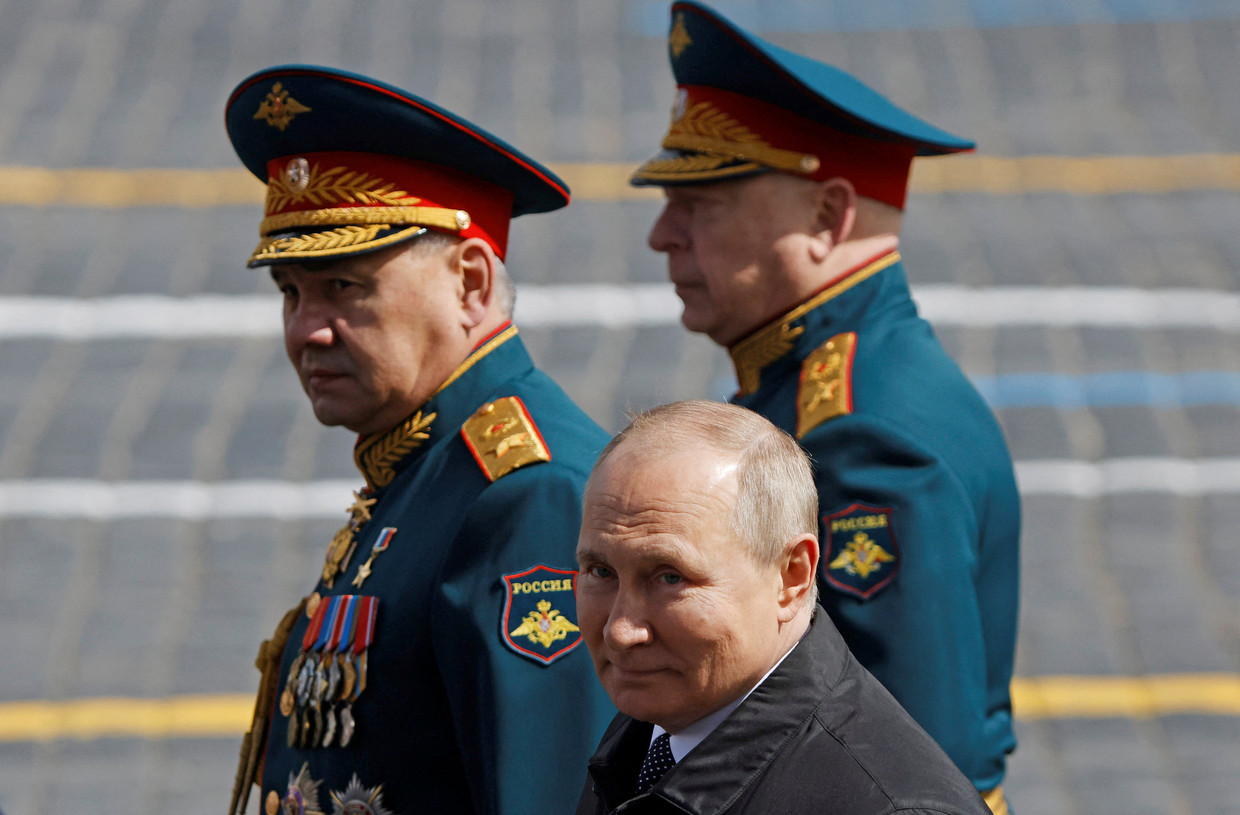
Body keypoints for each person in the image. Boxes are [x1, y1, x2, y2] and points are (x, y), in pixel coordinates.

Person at [631, 3, 1021, 810]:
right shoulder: (832, 383)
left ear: (826, 215)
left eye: (702, 203)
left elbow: (913, 757)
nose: (662, 234)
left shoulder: (857, 432)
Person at [223, 64, 615, 815]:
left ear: (470, 283)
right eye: (291, 292)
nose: (308, 328)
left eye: (345, 286)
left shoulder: (524, 493)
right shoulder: (424, 465)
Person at [574, 400, 992, 814]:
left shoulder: (890, 807)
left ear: (791, 576)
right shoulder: (656, 727)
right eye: (600, 572)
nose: (621, 631)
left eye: (670, 578)